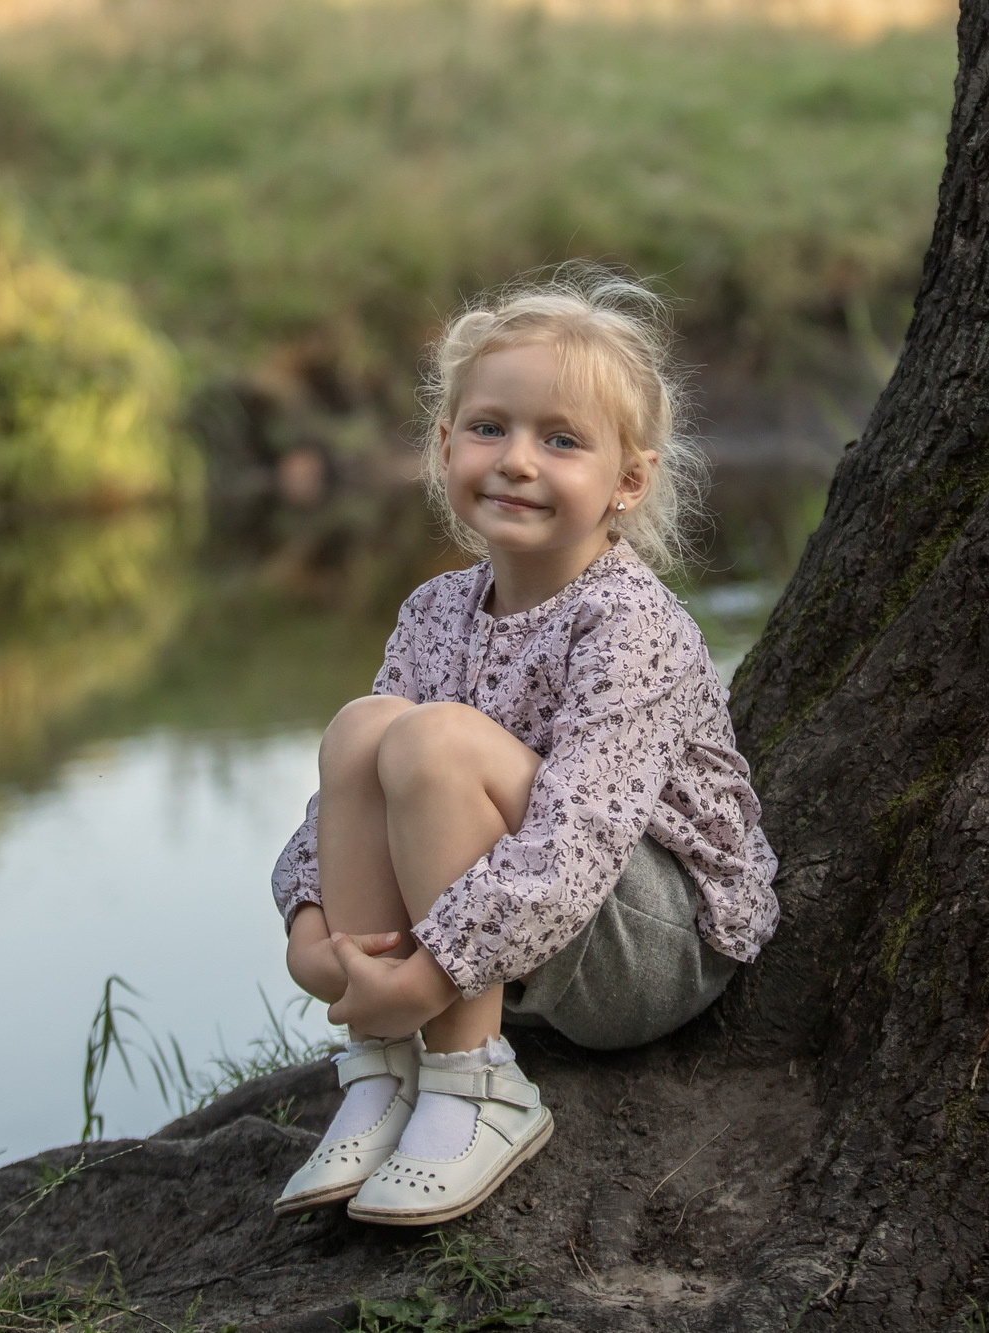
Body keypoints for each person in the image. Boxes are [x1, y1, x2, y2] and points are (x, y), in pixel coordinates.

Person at [268, 265, 780, 1226]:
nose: (516, 460)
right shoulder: (434, 610)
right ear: (444, 446)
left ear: (628, 480)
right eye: (489, 427)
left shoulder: (631, 625)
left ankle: (477, 1083)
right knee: (366, 729)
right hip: (507, 943)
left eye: (562, 440)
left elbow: (578, 840)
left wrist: (427, 974)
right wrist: (311, 930)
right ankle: (386, 1066)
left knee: (439, 742)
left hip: (645, 945)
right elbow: (347, 797)